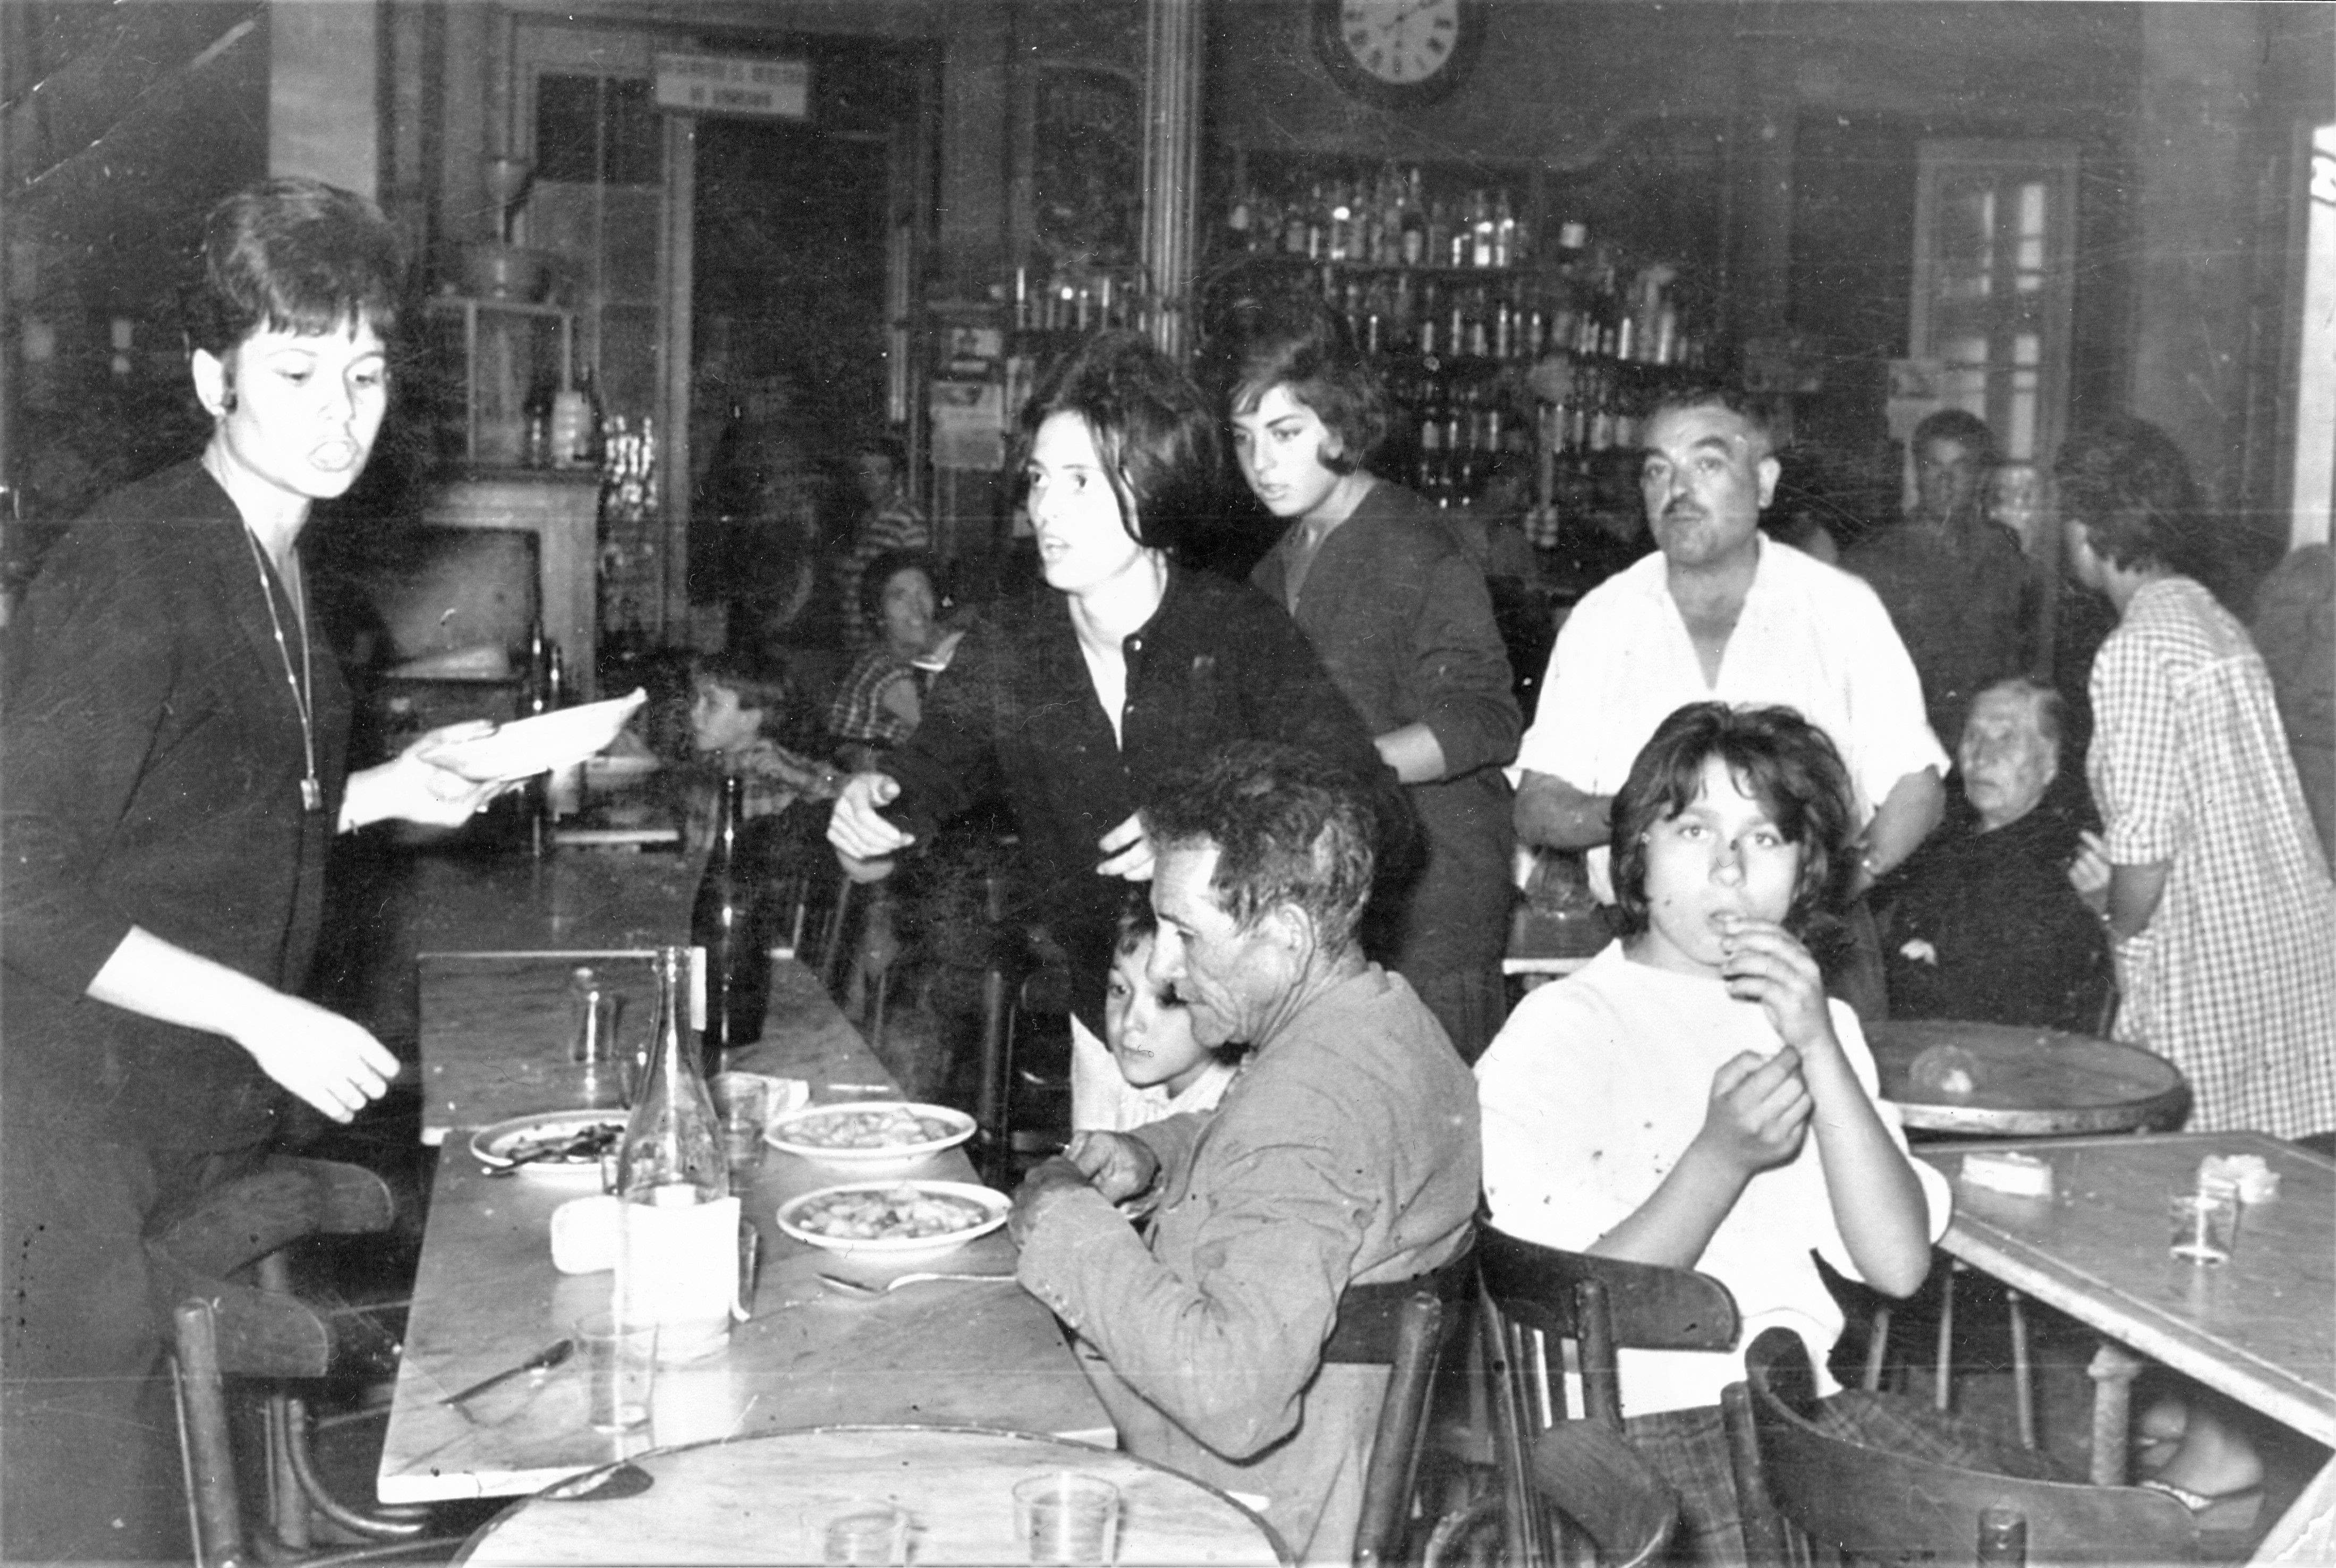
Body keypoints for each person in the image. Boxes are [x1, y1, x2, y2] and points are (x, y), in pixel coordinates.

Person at [0, 178, 512, 1561]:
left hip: (159, 1133)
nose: (340, 412)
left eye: (363, 372)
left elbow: (197, 813)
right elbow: (18, 875)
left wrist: (394, 789)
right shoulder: (143, 562)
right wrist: (257, 1009)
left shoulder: (275, 560)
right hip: (54, 1152)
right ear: (211, 375)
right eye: (295, 372)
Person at [826, 331, 1392, 1129]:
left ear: (1154, 485)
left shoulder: (1235, 633)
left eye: (1081, 483)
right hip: (1115, 1034)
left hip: (1257, 1049)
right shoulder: (1011, 647)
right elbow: (912, 793)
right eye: (1038, 481)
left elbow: (1373, 814)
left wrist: (1210, 848)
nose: (1047, 510)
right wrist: (865, 819)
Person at [1479, 703, 1966, 1565]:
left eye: (1766, 839)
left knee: (2065, 1533)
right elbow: (1565, 1309)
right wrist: (1718, 1158)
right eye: (1693, 829)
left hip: (1797, 1419)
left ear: (1804, 870)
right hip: (1631, 1445)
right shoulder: (1563, 1027)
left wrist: (1819, 1044)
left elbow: (1897, 1264)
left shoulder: (1816, 1022)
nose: (1729, 869)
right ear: (1636, 854)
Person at [1009, 742, 1479, 1563]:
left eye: (1185, 933)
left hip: (1241, 1524)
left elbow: (1234, 1397)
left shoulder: (1309, 1109)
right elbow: (1309, 1167)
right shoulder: (1379, 1020)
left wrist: (1067, 1225)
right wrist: (1157, 1154)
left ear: (1288, 937)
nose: (1164, 965)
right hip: (1320, 1488)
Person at [1511, 384, 1949, 1018]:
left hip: (1810, 952)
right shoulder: (1603, 618)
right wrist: (1658, 817)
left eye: (1706, 464)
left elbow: (1917, 787)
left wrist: (1837, 884)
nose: (1676, 490)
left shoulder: (1836, 607)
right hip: (1647, 953)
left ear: (1764, 482)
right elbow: (1537, 806)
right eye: (1657, 470)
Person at [1217, 296, 1520, 1059]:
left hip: (1433, 897)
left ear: (1343, 429)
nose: (1263, 463)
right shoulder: (1270, 567)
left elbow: (1483, 721)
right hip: (1336, 892)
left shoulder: (1418, 548)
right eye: (1245, 439)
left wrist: (1337, 770)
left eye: (1287, 434)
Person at [2056, 416, 2336, 1138]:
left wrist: (2109, 910)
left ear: (2088, 526)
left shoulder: (2138, 649)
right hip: (2283, 951)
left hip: (2211, 966)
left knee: (2182, 1176)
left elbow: (2144, 850)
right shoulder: (2212, 619)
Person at [1876, 678, 2110, 1032]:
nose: (1982, 757)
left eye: (2006, 738)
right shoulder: (1939, 846)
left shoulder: (2069, 863)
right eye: (1972, 737)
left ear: (2049, 764)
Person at [1844, 409, 2049, 748]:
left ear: (1982, 478)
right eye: (1933, 466)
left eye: (1961, 469)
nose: (1945, 482)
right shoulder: (1873, 561)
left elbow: (2029, 665)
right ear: (1916, 473)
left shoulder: (2008, 560)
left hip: (1988, 745)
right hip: (1901, 747)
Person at [1080, 904, 1244, 1133]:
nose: (1129, 1022)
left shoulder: (1239, 1105)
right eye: (1119, 989)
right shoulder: (1135, 1091)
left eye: (1167, 999)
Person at [683, 650, 840, 848]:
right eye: (695, 701)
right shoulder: (707, 765)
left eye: (711, 704)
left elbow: (845, 791)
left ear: (750, 719)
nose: (694, 713)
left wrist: (800, 778)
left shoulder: (780, 767)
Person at [826, 548, 955, 773]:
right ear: (878, 614)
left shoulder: (913, 661)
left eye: (922, 592)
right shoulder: (883, 669)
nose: (916, 607)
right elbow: (945, 736)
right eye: (900, 596)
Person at [835, 434, 933, 647]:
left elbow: (912, 589)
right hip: (854, 640)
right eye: (865, 472)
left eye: (880, 473)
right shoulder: (861, 519)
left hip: (884, 645)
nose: (870, 480)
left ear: (896, 478)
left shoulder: (908, 521)